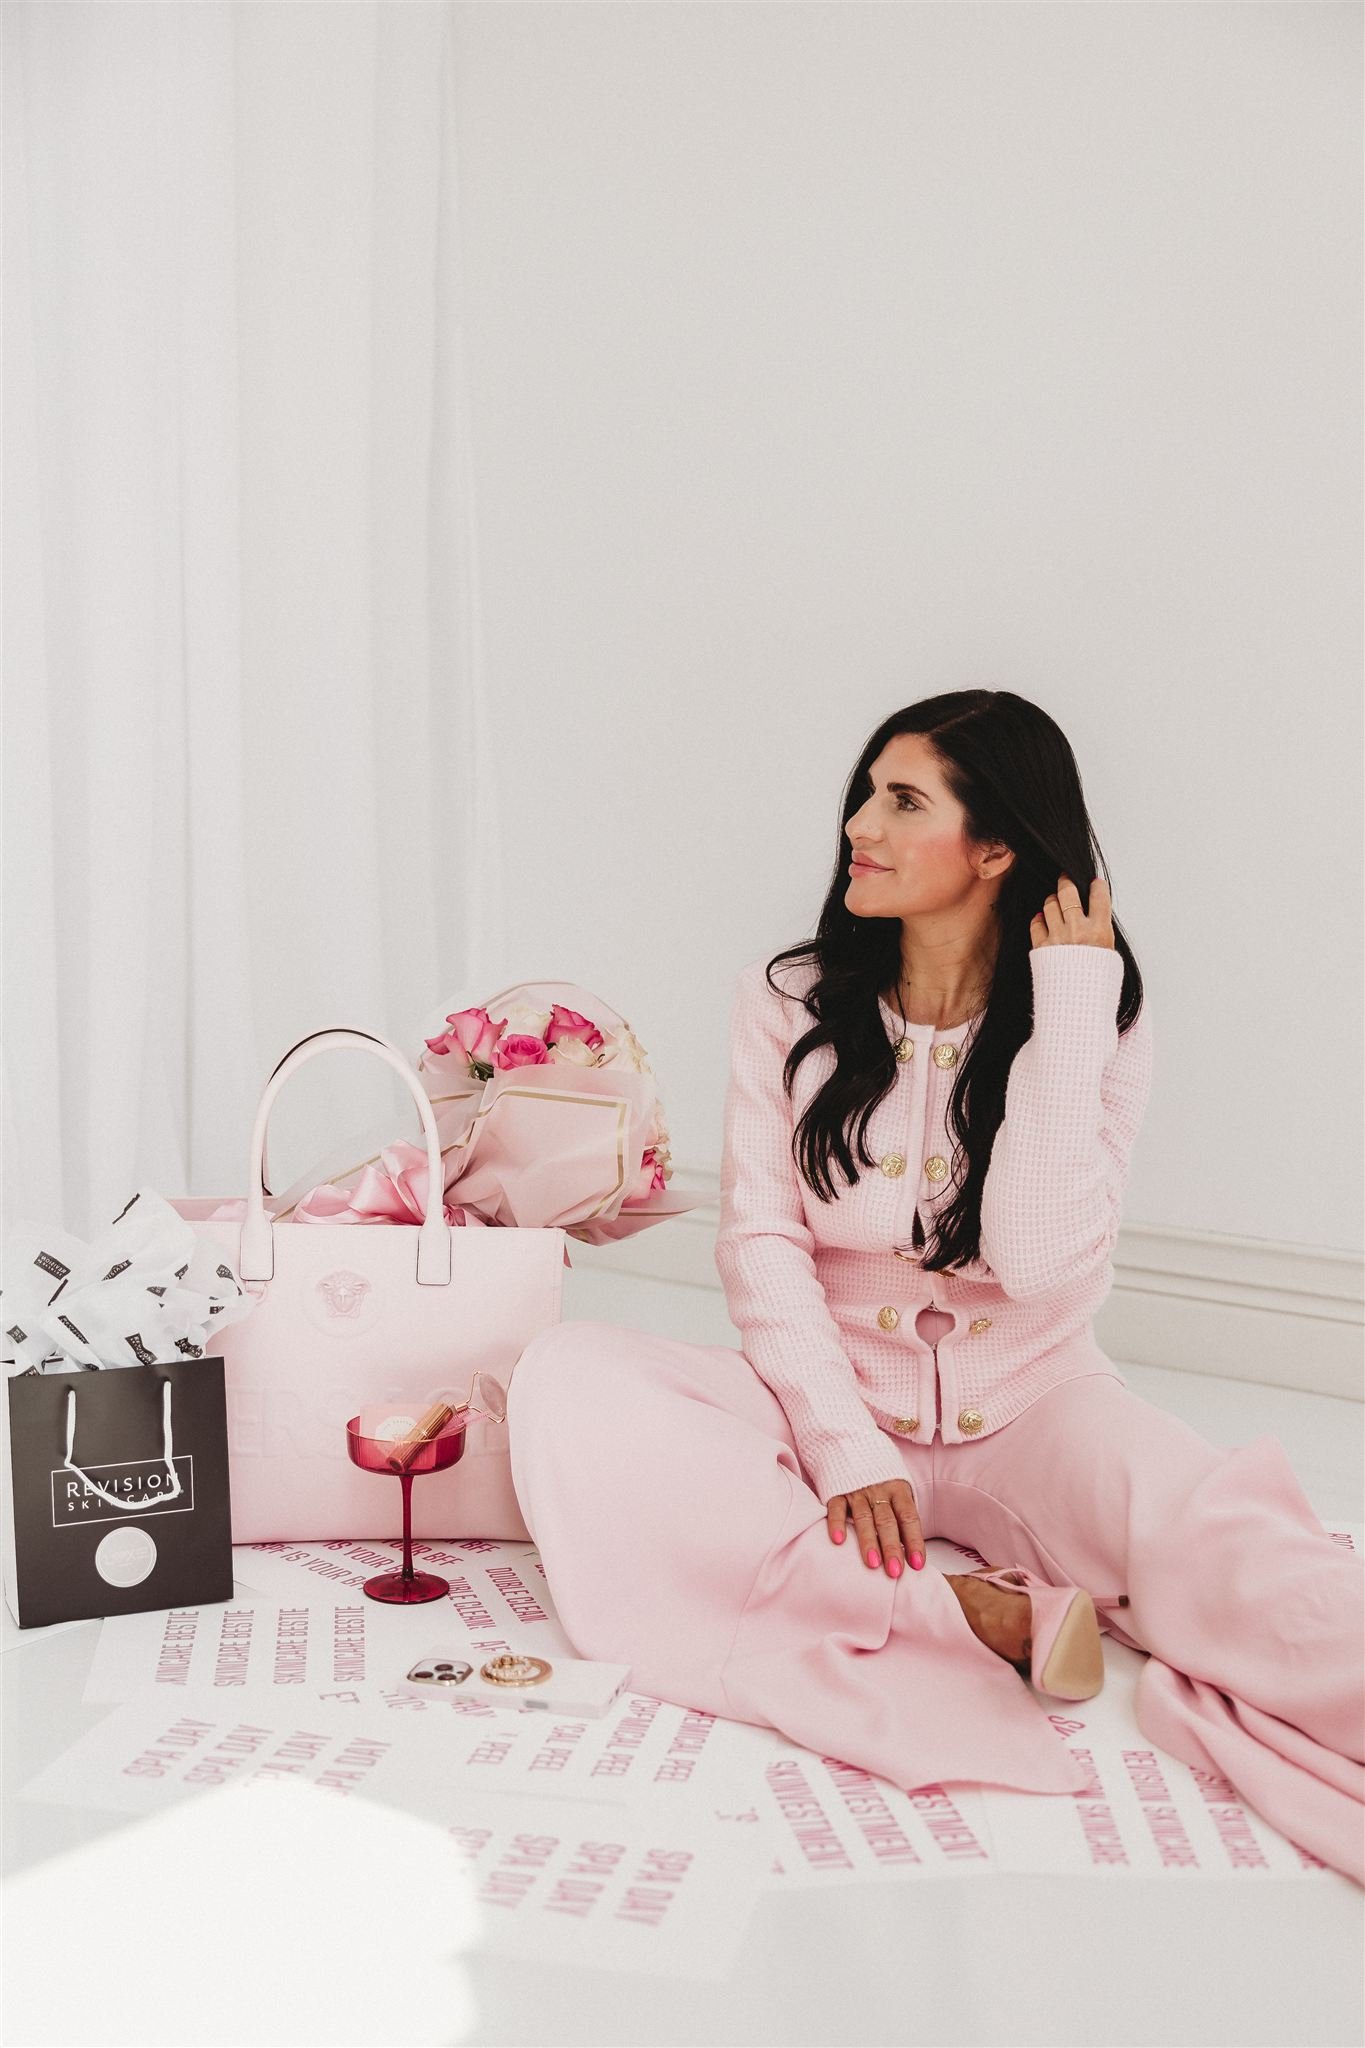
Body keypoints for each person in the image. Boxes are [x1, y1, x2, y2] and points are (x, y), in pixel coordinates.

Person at [507, 689, 1365, 1884]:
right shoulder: (791, 999)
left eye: (904, 799)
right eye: (867, 790)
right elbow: (761, 1242)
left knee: (1229, 1541)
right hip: (830, 1403)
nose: (860, 821)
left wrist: (1066, 1008)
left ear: (997, 844)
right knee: (573, 1377)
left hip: (1036, 1406)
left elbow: (1037, 1258)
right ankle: (964, 1617)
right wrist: (844, 1441)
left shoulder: (1096, 1013)